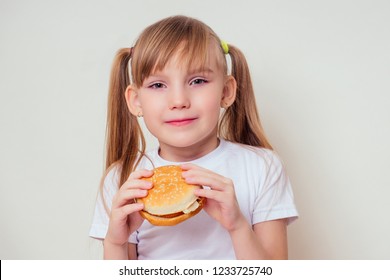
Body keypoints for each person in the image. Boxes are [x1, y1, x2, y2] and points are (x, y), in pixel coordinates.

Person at [89, 15, 298, 260]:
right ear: (136, 101)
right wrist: (115, 242)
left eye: (197, 81)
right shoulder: (123, 179)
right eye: (158, 85)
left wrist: (238, 225)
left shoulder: (262, 167)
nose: (179, 101)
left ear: (226, 92)